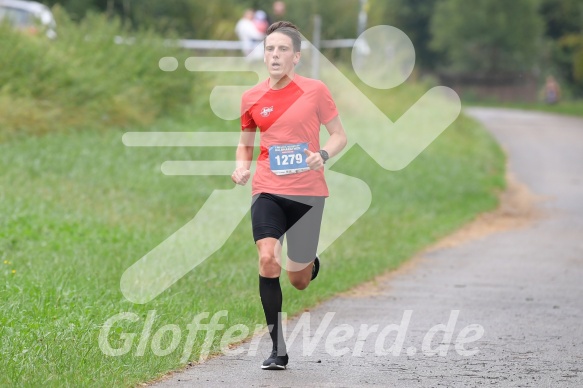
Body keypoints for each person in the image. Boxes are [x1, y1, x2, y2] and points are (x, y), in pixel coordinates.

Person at [231, 21, 347, 370]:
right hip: (266, 189)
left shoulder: (315, 90)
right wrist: (241, 167)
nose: (275, 55)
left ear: (296, 56)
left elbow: (339, 135)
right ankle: (277, 350)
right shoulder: (252, 98)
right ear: (263, 55)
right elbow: (244, 144)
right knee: (268, 258)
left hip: (308, 194)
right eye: (270, 49)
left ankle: (308, 264)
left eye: (283, 50)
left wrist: (322, 155)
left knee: (297, 281)